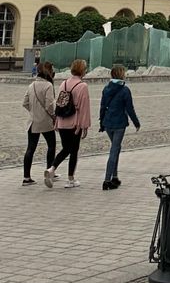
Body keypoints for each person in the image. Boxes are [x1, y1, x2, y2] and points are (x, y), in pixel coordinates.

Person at [46, 59, 91, 189]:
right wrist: (84, 125)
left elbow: (59, 103)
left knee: (66, 148)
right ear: (82, 70)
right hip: (75, 122)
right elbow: (84, 107)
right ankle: (70, 179)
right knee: (74, 150)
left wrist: (56, 122)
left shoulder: (63, 84)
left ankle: (52, 168)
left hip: (62, 121)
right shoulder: (82, 86)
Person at [99, 65, 141, 190]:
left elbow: (102, 107)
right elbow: (129, 109)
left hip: (108, 123)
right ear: (121, 74)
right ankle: (107, 180)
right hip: (119, 124)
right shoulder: (125, 90)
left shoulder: (106, 89)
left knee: (115, 148)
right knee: (114, 150)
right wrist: (136, 123)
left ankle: (115, 177)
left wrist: (102, 123)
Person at [22, 61, 57, 185]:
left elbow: (25, 102)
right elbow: (50, 105)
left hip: (32, 122)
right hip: (46, 122)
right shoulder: (48, 85)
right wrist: (54, 116)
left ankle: (26, 177)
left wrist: (33, 112)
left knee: (30, 148)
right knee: (51, 145)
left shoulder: (31, 85)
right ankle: (50, 170)